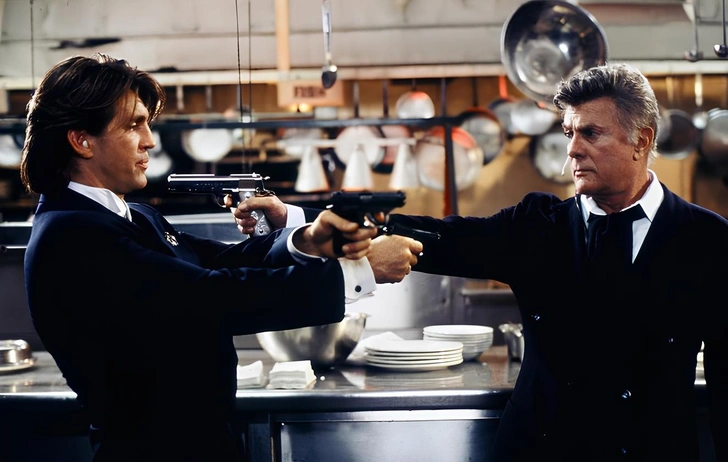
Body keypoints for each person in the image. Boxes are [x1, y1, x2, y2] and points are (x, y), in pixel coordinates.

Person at [237, 63, 728, 461]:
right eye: (568, 132)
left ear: (641, 140)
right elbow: (443, 237)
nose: (572, 149)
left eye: (591, 133)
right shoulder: (537, 225)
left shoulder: (706, 239)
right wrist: (304, 221)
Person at [20, 53, 382, 462]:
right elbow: (208, 297)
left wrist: (308, 241)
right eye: (133, 125)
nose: (150, 141)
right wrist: (358, 270)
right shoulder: (70, 234)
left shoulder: (134, 215)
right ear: (82, 140)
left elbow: (221, 262)